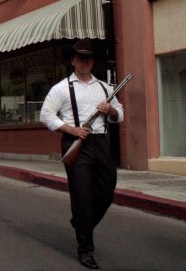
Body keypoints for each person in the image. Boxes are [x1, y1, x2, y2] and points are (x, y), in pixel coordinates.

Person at [39, 39, 123, 269]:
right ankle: (85, 249)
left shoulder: (105, 88)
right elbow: (46, 115)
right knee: (82, 196)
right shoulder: (61, 88)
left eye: (89, 57)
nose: (85, 61)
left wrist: (111, 110)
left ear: (93, 61)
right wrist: (71, 130)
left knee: (106, 192)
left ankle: (81, 222)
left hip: (101, 143)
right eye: (80, 57)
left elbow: (120, 115)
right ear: (73, 60)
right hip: (75, 142)